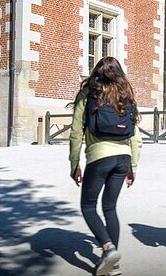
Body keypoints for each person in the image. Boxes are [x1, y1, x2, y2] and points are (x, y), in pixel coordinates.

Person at [69, 56, 143, 276]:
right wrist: (133, 167)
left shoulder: (88, 94)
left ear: (96, 72)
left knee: (88, 207)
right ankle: (114, 265)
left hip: (99, 157)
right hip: (122, 158)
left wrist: (75, 164)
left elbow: (75, 132)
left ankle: (108, 249)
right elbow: (136, 138)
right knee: (110, 208)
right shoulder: (126, 96)